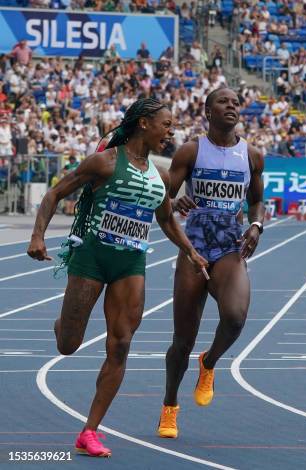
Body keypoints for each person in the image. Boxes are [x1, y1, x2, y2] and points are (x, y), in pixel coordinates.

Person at [26, 98, 208, 457]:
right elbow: (55, 193)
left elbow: (167, 219)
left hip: (131, 265)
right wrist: (37, 235)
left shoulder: (159, 175)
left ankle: (89, 431)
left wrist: (189, 250)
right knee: (68, 344)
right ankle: (62, 324)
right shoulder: (105, 162)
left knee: (120, 345)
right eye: (166, 124)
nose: (171, 132)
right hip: (92, 259)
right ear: (143, 123)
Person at [157, 87, 265, 439]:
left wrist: (256, 224)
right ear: (208, 111)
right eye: (223, 101)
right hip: (194, 247)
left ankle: (210, 362)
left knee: (234, 317)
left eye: (236, 102)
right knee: (182, 341)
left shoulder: (251, 155)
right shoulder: (191, 150)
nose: (231, 106)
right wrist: (176, 203)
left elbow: (257, 202)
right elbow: (166, 197)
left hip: (230, 247)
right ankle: (170, 405)